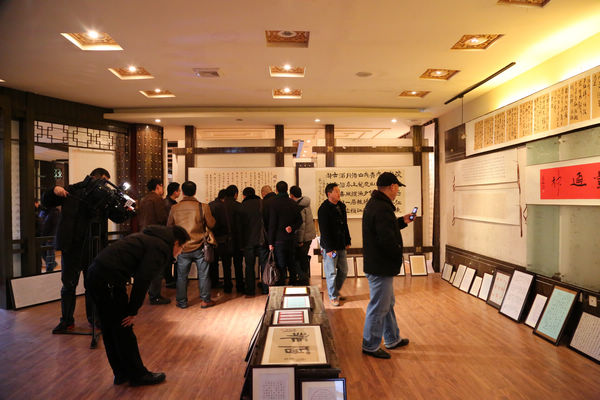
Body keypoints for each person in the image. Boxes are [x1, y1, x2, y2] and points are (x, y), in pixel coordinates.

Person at [87, 224, 190, 386]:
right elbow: (143, 280)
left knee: (110, 329)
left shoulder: (149, 238)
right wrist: (132, 310)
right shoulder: (161, 247)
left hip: (97, 275)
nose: (180, 252)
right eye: (182, 247)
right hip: (109, 280)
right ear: (176, 242)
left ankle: (121, 374)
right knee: (123, 327)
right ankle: (138, 375)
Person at [44, 168, 129, 334]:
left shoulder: (105, 198)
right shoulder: (72, 190)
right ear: (94, 177)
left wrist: (127, 206)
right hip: (71, 247)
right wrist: (54, 190)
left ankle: (94, 319)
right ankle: (66, 321)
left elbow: (117, 217)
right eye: (103, 181)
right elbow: (47, 201)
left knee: (92, 286)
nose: (105, 186)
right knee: (68, 285)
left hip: (94, 247)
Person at [361, 172, 413, 359]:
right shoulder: (381, 208)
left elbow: (385, 229)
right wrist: (398, 254)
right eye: (397, 187)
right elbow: (386, 239)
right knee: (379, 306)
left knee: (387, 304)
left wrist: (401, 221)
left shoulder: (376, 204)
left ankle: (392, 338)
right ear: (392, 186)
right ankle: (370, 345)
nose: (397, 190)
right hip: (380, 266)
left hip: (378, 264)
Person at [167, 181, 216, 309]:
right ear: (195, 191)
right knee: (204, 275)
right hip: (200, 246)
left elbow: (169, 227)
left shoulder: (174, 208)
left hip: (183, 247)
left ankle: (182, 302)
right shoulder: (203, 207)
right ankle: (205, 300)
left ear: (183, 192)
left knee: (181, 277)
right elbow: (211, 224)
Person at [137, 178, 170, 305]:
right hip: (155, 236)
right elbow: (162, 218)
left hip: (143, 235)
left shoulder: (143, 199)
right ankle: (155, 295)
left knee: (148, 267)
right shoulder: (157, 199)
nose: (163, 189)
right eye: (162, 186)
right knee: (158, 268)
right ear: (158, 186)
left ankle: (147, 293)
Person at [318, 183, 351, 306]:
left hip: (341, 244)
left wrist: (347, 240)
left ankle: (335, 291)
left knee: (344, 270)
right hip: (330, 247)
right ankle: (333, 296)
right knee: (331, 272)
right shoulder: (323, 209)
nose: (339, 193)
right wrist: (329, 249)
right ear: (329, 194)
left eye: (339, 191)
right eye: (336, 191)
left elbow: (345, 225)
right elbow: (324, 230)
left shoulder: (341, 206)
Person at [267, 181, 302, 285]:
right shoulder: (293, 203)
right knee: (291, 263)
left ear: (276, 190)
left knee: (280, 265)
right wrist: (292, 228)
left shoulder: (273, 204)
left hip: (279, 240)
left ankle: (281, 286)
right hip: (291, 239)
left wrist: (270, 242)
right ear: (287, 190)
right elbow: (300, 220)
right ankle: (293, 283)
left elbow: (272, 224)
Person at [238, 187, 264, 296]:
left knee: (249, 266)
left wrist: (241, 244)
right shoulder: (262, 203)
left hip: (248, 241)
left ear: (244, 195)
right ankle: (265, 288)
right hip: (262, 240)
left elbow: (240, 227)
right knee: (264, 265)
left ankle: (250, 290)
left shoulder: (242, 206)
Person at [290, 185, 316, 286]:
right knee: (303, 258)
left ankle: (303, 279)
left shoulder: (299, 207)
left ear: (292, 195)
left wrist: (300, 240)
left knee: (298, 259)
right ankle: (304, 278)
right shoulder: (305, 203)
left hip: (303, 238)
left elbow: (301, 225)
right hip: (309, 236)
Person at [224, 185, 244, 293]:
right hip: (237, 239)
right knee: (238, 264)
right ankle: (240, 285)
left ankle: (227, 286)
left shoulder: (221, 205)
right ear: (235, 194)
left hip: (224, 240)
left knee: (226, 265)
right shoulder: (239, 206)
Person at [258, 185, 276, 294]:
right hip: (278, 238)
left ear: (263, 194)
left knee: (265, 263)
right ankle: (276, 286)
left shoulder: (263, 204)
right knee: (277, 263)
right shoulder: (278, 201)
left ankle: (266, 287)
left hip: (265, 239)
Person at [208, 189, 228, 289]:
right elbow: (225, 223)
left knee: (213, 262)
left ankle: (213, 282)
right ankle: (227, 283)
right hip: (222, 238)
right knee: (225, 262)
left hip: (212, 237)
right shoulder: (223, 207)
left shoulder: (210, 205)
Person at [163, 182, 181, 287]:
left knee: (171, 257)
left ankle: (171, 279)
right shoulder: (168, 204)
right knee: (169, 258)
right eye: (179, 190)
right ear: (175, 192)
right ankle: (169, 280)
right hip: (169, 233)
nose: (180, 192)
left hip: (169, 233)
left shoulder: (170, 203)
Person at [40, 205, 61, 272]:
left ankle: (49, 269)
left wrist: (51, 236)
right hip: (44, 236)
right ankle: (52, 264)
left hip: (51, 236)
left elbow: (55, 226)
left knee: (50, 253)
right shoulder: (45, 212)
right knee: (43, 253)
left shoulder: (55, 212)